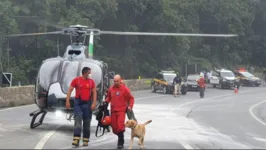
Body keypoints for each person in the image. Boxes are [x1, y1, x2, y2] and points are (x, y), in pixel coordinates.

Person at [65, 67, 97, 147]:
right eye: (89, 73)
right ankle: (76, 139)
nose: (90, 74)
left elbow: (94, 92)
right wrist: (67, 101)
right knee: (78, 120)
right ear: (85, 73)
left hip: (87, 103)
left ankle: (86, 140)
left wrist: (94, 103)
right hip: (78, 103)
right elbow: (69, 90)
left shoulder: (91, 82)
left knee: (87, 122)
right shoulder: (76, 80)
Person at [105, 74, 134, 149]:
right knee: (114, 128)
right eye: (114, 81)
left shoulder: (125, 89)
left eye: (117, 81)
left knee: (120, 126)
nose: (116, 82)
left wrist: (130, 106)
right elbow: (108, 97)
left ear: (120, 80)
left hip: (121, 111)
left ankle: (120, 142)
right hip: (113, 111)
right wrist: (105, 103)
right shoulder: (111, 89)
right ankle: (120, 136)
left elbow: (131, 98)